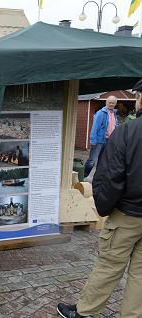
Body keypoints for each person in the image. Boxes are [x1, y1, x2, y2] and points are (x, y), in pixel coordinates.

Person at [56, 85, 142, 318]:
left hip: (127, 214)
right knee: (140, 273)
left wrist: (105, 207)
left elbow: (108, 177)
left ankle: (85, 312)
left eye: (137, 97)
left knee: (109, 265)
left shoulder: (128, 132)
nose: (136, 101)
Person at [84, 95, 118, 177]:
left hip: (109, 141)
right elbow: (95, 127)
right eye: (110, 102)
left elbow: (115, 127)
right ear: (106, 102)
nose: (111, 104)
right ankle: (83, 176)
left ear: (115, 104)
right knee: (92, 161)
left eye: (113, 103)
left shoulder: (114, 114)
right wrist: (93, 140)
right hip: (99, 141)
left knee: (102, 162)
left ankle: (97, 178)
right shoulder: (100, 113)